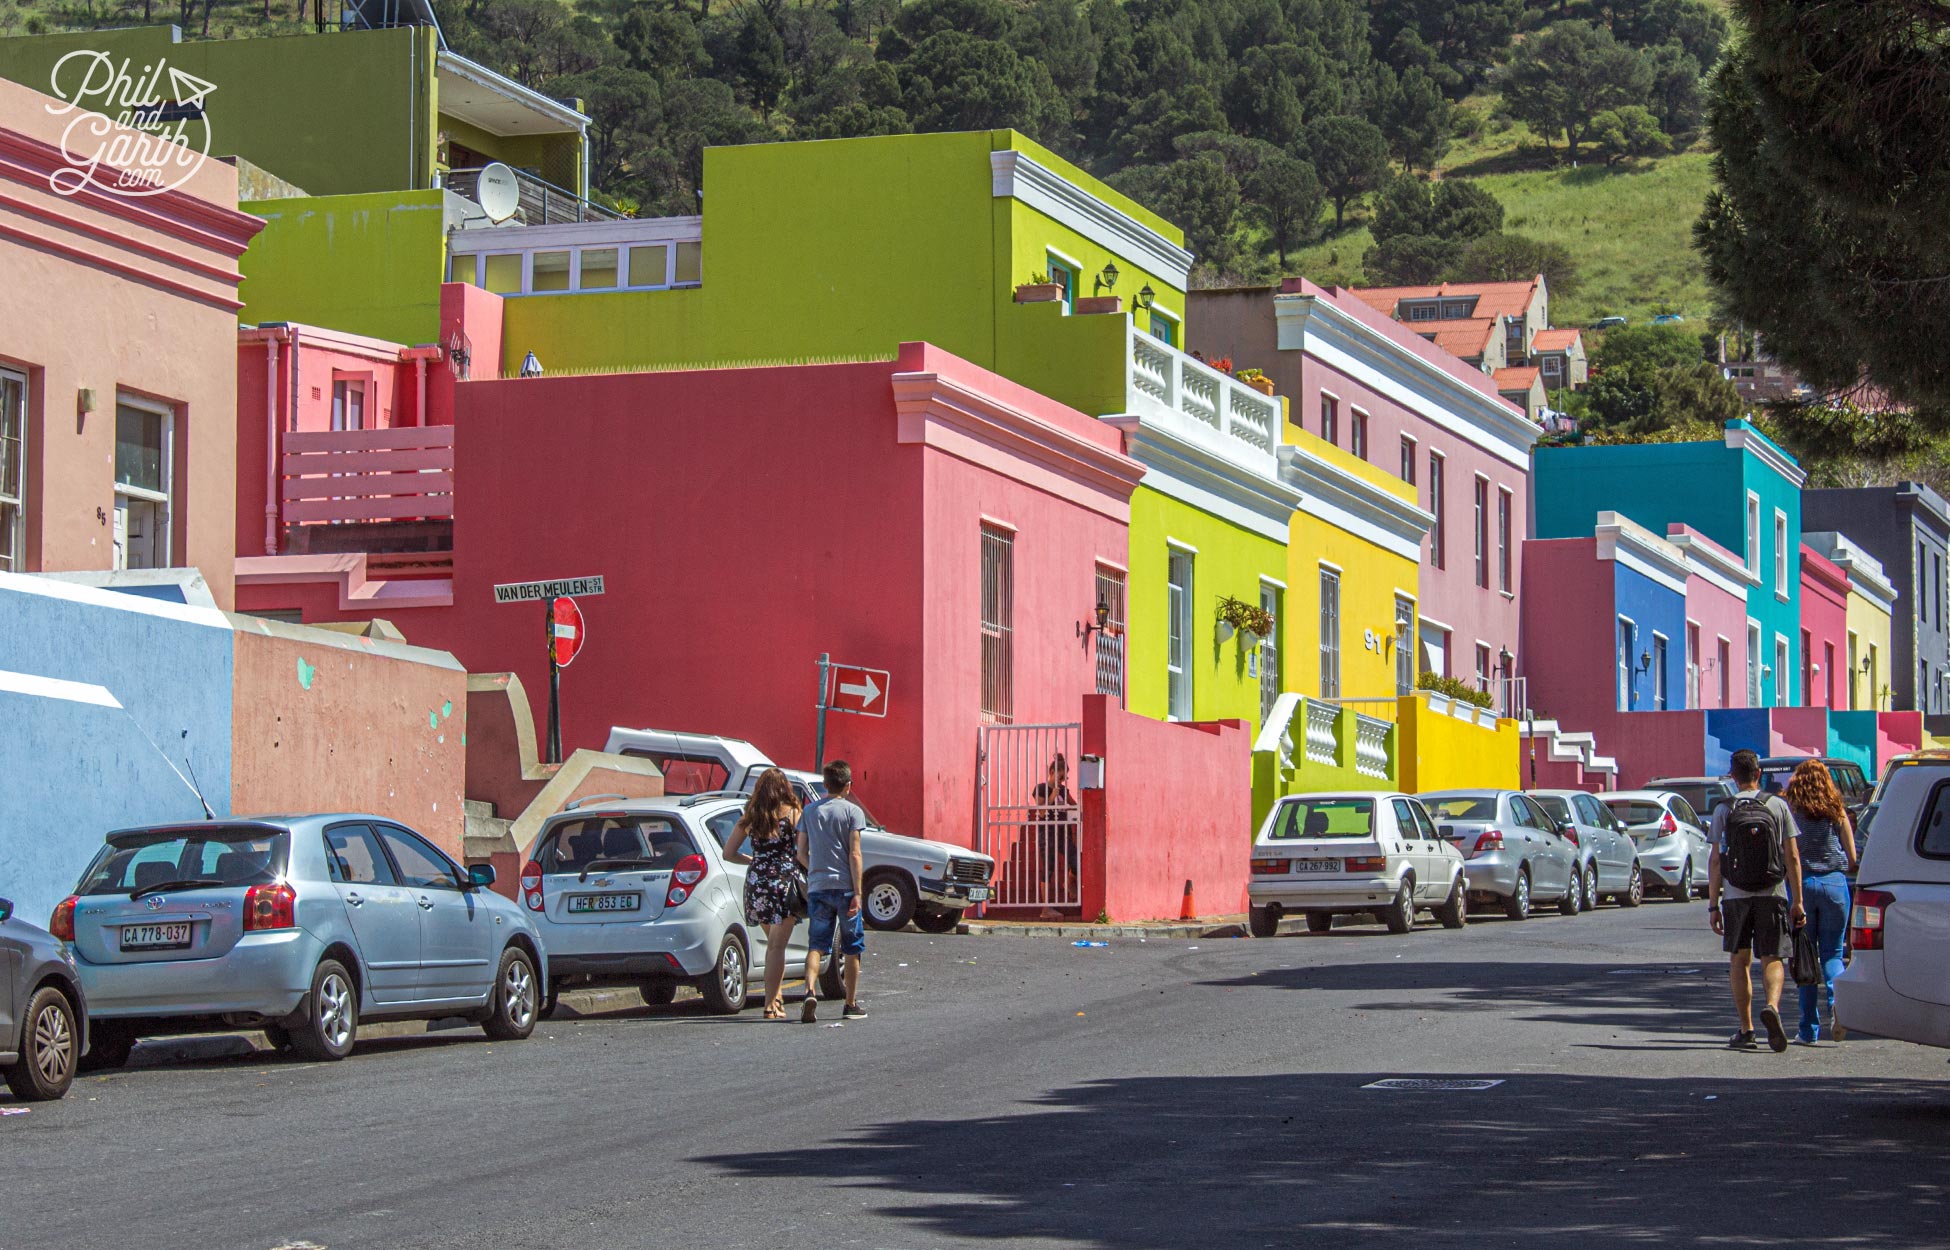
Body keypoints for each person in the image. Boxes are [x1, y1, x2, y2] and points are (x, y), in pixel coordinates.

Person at [1707, 748, 1806, 1052]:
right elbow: (1792, 856)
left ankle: (1746, 1030)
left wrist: (1713, 904)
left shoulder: (1724, 809)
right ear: (1759, 774)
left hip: (1736, 896)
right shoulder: (1777, 806)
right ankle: (1773, 1007)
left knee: (1740, 960)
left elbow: (1715, 861)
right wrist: (1797, 900)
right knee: (1772, 957)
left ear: (1733, 776)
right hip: (1772, 892)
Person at [719, 767, 806, 1020]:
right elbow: (802, 849)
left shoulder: (751, 816)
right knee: (777, 948)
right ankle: (770, 1005)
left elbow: (728, 853)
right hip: (783, 884)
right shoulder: (792, 813)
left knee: (773, 945)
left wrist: (752, 861)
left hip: (757, 884)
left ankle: (776, 998)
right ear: (784, 788)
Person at [1783, 759, 1859, 1044]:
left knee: (1805, 958)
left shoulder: (1792, 811)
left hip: (1802, 887)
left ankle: (1808, 1030)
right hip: (1835, 885)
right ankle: (1837, 1003)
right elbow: (1851, 857)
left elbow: (1786, 854)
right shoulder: (1836, 809)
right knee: (1833, 954)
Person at [799, 759, 867, 1023]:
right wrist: (858, 891)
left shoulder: (810, 812)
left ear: (825, 784)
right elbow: (855, 853)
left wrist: (815, 868)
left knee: (816, 944)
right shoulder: (853, 813)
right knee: (852, 946)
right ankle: (850, 1003)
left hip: (818, 886)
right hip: (846, 888)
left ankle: (809, 991)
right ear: (848, 785)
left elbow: (801, 853)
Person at [1032, 753, 1078, 903]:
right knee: (1048, 867)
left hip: (1064, 833)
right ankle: (1046, 907)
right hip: (1047, 833)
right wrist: (1053, 795)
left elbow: (1074, 806)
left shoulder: (1064, 791)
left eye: (1064, 778)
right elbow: (1041, 811)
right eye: (1060, 777)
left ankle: (1069, 882)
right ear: (1052, 772)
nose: (1062, 781)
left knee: (1075, 860)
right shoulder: (1040, 788)